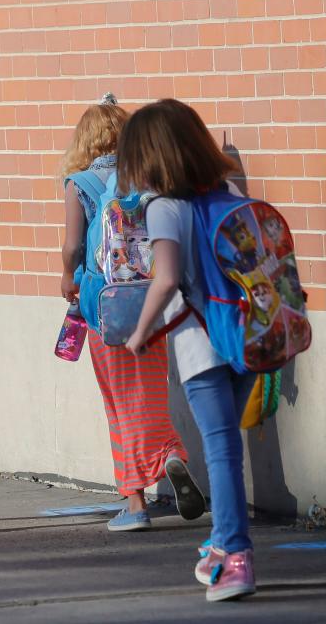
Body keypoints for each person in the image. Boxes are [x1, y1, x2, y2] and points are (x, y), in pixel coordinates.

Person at [119, 99, 258, 602]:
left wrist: (139, 333)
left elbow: (168, 278)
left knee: (220, 452)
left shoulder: (164, 206)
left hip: (201, 344)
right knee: (227, 451)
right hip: (248, 338)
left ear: (150, 157)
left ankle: (236, 559)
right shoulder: (230, 192)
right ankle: (222, 543)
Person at [60, 95, 204, 532]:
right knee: (149, 393)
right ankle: (170, 454)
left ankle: (136, 504)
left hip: (104, 305)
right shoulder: (149, 177)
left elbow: (71, 245)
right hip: (151, 302)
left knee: (118, 404)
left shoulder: (79, 182)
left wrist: (67, 276)